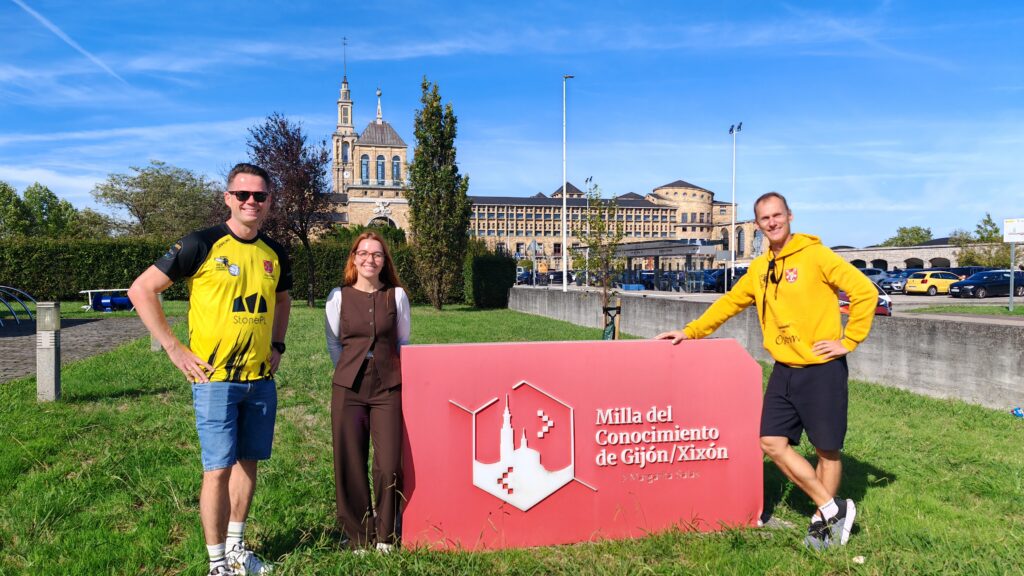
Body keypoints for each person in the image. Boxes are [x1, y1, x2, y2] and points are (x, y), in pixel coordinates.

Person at [655, 191, 876, 550]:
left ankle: (822, 524)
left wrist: (849, 340)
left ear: (789, 216)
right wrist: (690, 331)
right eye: (765, 218)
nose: (772, 223)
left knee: (826, 451)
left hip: (822, 369)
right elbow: (729, 303)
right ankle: (832, 509)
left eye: (777, 215)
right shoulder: (759, 268)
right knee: (771, 442)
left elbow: (864, 291)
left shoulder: (816, 255)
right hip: (784, 369)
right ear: (757, 225)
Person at [128, 163, 291, 575]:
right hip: (214, 379)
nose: (251, 202)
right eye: (243, 195)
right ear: (228, 198)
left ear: (269, 201)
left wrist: (277, 344)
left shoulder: (275, 253)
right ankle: (217, 563)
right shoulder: (200, 243)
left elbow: (282, 299)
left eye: (260, 196)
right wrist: (174, 348)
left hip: (259, 380)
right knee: (217, 470)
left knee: (248, 463)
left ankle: (237, 548)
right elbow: (141, 289)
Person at [324, 231, 411, 552]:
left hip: (387, 386)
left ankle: (386, 534)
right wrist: (348, 369)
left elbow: (403, 341)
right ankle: (359, 534)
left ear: (384, 261)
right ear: (354, 258)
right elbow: (334, 342)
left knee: (389, 463)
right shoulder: (338, 297)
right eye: (363, 253)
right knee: (350, 458)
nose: (369, 259)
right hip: (349, 387)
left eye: (376, 254)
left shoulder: (396, 296)